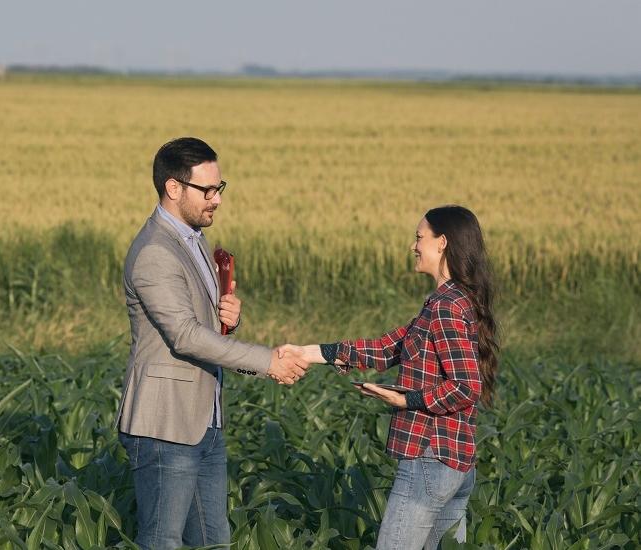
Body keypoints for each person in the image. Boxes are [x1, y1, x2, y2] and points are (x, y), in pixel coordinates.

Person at [115, 137, 310, 550]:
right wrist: (266, 361)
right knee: (161, 541)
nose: (216, 199)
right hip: (166, 424)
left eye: (220, 188)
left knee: (212, 539)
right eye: (207, 190)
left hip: (205, 419)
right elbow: (185, 336)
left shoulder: (193, 239)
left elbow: (202, 328)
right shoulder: (154, 252)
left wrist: (228, 319)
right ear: (173, 188)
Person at [279, 205, 498, 549]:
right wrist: (307, 352)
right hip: (455, 462)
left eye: (419, 238)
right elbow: (386, 349)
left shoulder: (445, 307)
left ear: (442, 243)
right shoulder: (451, 300)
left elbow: (466, 386)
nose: (413, 246)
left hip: (430, 456)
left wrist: (405, 399)